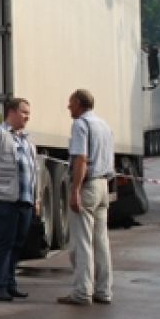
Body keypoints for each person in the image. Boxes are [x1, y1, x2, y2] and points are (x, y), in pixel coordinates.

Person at [0, 97, 39, 302]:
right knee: (5, 242)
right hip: (4, 198)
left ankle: (10, 283)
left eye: (28, 113)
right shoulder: (0, 133)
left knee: (18, 243)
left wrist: (36, 198)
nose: (27, 117)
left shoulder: (26, 140)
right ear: (11, 112)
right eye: (24, 112)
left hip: (25, 200)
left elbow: (33, 171)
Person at [58, 88, 115, 306]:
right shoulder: (104, 125)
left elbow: (81, 159)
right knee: (101, 242)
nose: (68, 107)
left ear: (80, 104)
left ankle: (82, 292)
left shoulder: (81, 124)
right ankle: (103, 290)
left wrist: (75, 190)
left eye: (71, 103)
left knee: (82, 243)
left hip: (88, 186)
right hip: (103, 185)